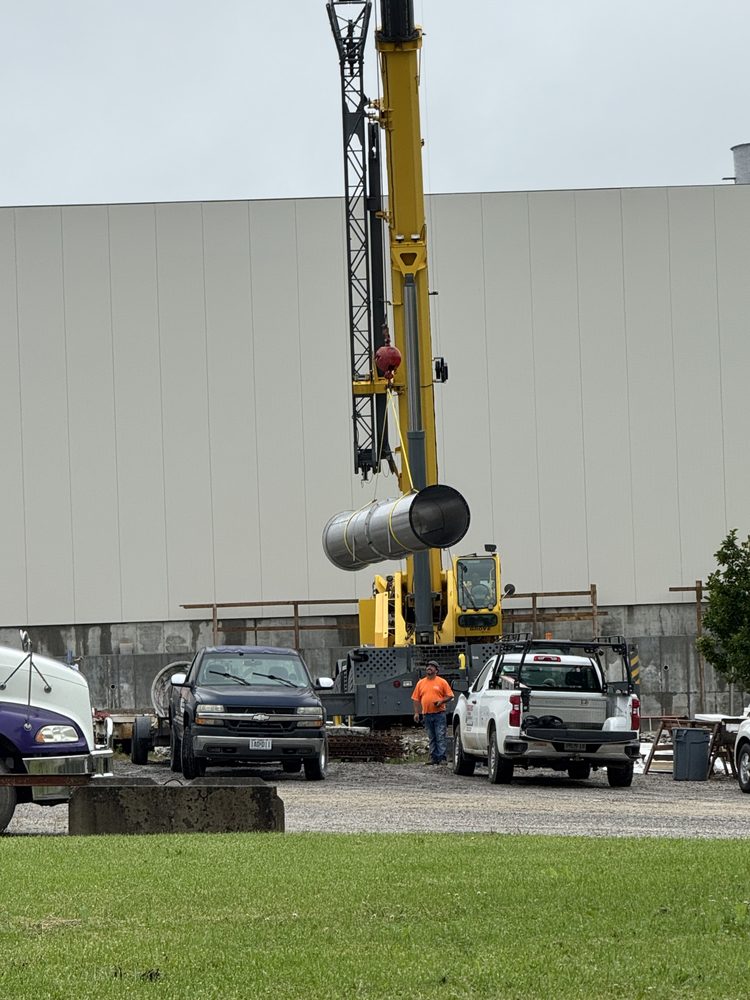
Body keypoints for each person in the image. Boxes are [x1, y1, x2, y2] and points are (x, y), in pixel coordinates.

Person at [412, 661, 454, 765]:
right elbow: (416, 699)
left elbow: (450, 695)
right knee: (431, 737)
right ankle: (433, 758)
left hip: (439, 714)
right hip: (426, 714)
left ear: (436, 670)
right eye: (428, 666)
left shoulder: (442, 682)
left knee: (440, 735)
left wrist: (441, 701)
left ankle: (442, 758)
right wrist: (417, 713)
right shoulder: (420, 683)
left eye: (432, 667)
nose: (429, 668)